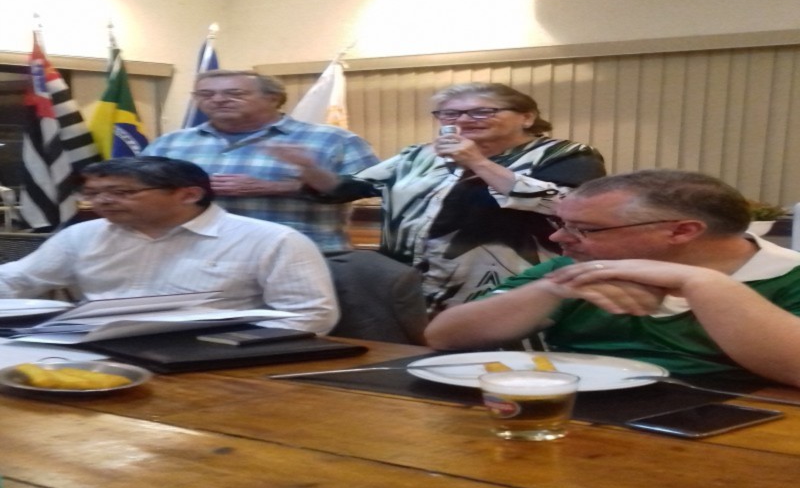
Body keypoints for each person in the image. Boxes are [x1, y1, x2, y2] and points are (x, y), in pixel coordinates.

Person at [424, 169, 800, 388]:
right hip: (576, 417)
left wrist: (701, 284)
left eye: (585, 229)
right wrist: (551, 289)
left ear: (682, 231)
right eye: (561, 223)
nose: (558, 238)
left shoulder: (788, 276)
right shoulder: (581, 266)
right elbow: (444, 336)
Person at [275, 82, 606, 315]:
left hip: (502, 281)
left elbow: (565, 206)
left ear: (527, 117)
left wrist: (477, 161)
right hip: (410, 281)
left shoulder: (566, 154)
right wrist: (308, 168)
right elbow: (347, 189)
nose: (462, 121)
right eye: (449, 115)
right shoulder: (418, 155)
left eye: (481, 112)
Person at [0, 157, 338, 334]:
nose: (101, 202)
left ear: (189, 194)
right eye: (92, 193)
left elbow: (309, 315)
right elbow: (18, 279)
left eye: (121, 192)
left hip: (206, 350)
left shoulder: (271, 240)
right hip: (92, 342)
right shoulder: (83, 234)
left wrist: (228, 346)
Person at [143, 70, 379, 253]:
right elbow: (138, 190)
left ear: (273, 98)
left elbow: (372, 187)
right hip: (194, 253)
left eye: (235, 94)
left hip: (300, 252)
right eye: (205, 95)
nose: (218, 100)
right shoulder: (170, 143)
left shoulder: (332, 139)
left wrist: (281, 187)